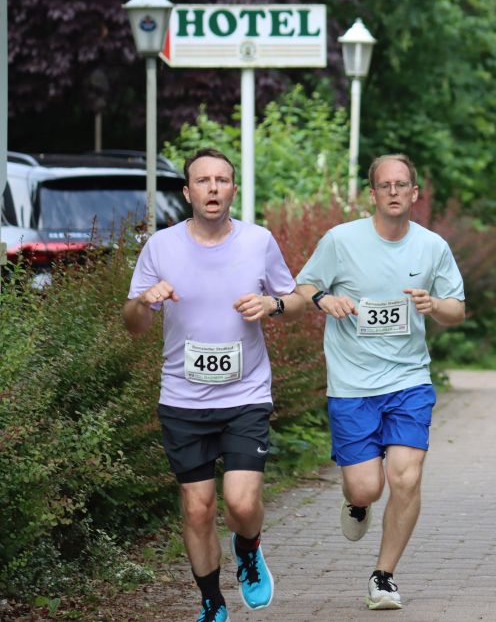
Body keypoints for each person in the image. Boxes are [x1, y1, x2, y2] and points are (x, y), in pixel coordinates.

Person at [122, 148, 306, 622]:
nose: (213, 188)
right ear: (187, 192)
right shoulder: (161, 247)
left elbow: (296, 300)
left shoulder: (258, 241)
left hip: (246, 395)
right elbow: (133, 325)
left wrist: (272, 306)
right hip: (183, 399)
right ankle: (212, 602)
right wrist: (143, 301)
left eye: (222, 180)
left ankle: (248, 546)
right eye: (203, 181)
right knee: (198, 508)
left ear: (233, 190)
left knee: (241, 504)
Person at [295, 154, 465, 611]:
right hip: (352, 385)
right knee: (367, 487)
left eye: (401, 184)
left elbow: (457, 309)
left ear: (414, 193)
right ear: (372, 194)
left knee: (406, 478)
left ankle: (383, 575)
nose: (393, 192)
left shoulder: (432, 247)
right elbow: (303, 287)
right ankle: (356, 501)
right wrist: (324, 299)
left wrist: (434, 305)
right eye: (384, 185)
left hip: (408, 380)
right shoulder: (341, 240)